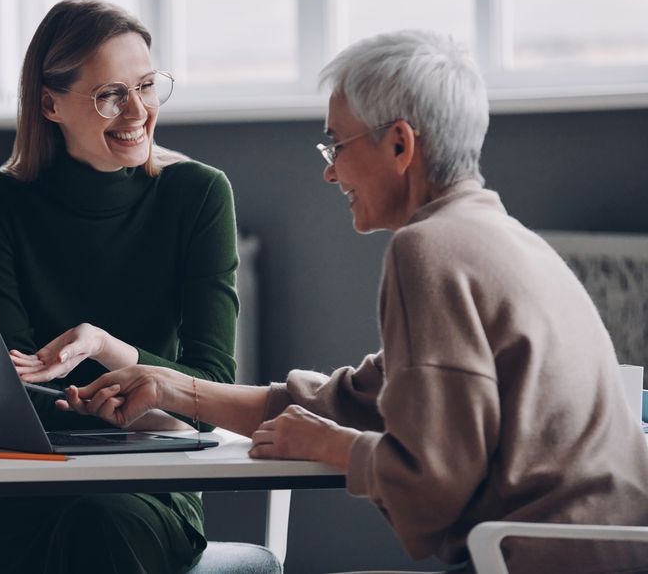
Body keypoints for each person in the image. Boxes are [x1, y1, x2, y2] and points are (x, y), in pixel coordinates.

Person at [63, 30, 648, 573]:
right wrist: (169, 386)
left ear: (399, 144)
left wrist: (333, 446)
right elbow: (351, 399)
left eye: (336, 144)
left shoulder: (429, 250)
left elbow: (436, 487)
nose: (329, 172)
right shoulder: (501, 238)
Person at [0, 0, 240, 574]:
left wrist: (105, 348)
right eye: (110, 94)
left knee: (101, 523)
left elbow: (212, 396)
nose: (138, 111)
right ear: (49, 103)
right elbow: (15, 386)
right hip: (19, 482)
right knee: (69, 526)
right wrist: (144, 396)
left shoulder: (199, 195)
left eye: (147, 86)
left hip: (146, 485)